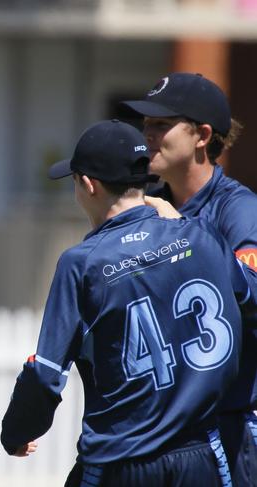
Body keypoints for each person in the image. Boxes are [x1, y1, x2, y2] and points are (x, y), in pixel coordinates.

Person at [0, 119, 257, 486]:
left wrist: (18, 430)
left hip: (120, 460)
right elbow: (251, 300)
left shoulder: (82, 263)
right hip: (203, 456)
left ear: (88, 185)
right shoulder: (203, 238)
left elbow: (46, 375)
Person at [121, 72, 257, 486]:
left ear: (201, 135)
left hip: (234, 428)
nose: (147, 134)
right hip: (165, 429)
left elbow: (254, 295)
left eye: (161, 124)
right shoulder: (148, 209)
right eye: (145, 124)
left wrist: (186, 235)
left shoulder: (238, 207)